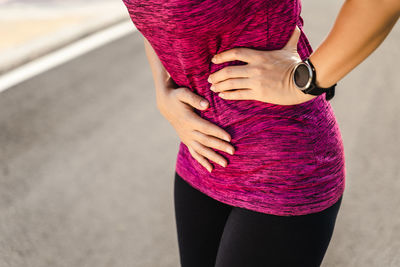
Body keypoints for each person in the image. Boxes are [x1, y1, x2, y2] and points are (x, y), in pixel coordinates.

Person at [121, 0, 399, 266]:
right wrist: (163, 89)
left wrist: (303, 79)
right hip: (199, 157)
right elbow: (156, 18)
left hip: (282, 166)